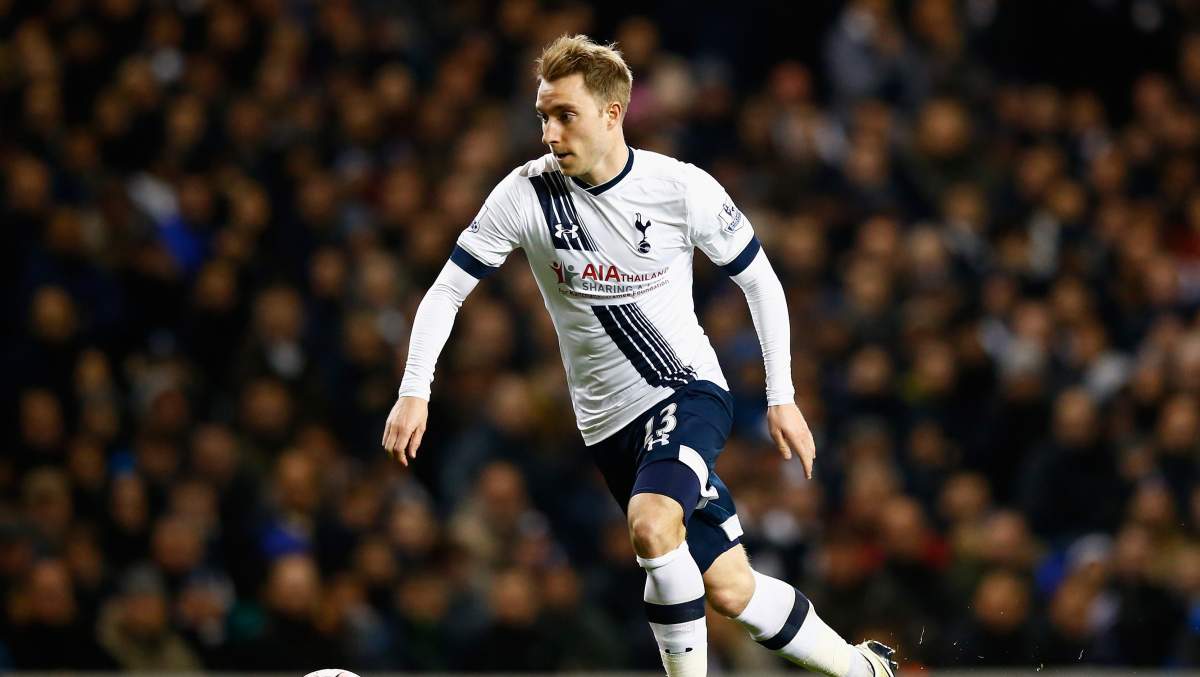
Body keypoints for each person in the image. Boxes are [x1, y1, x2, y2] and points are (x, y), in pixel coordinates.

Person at [381, 34, 898, 677]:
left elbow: (761, 282)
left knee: (652, 526)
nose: (549, 133)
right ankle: (864, 670)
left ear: (612, 113)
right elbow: (446, 291)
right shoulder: (524, 195)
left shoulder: (679, 188)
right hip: (607, 428)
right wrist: (415, 388)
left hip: (684, 391)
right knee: (730, 587)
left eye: (564, 115)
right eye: (543, 115)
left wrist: (781, 396)